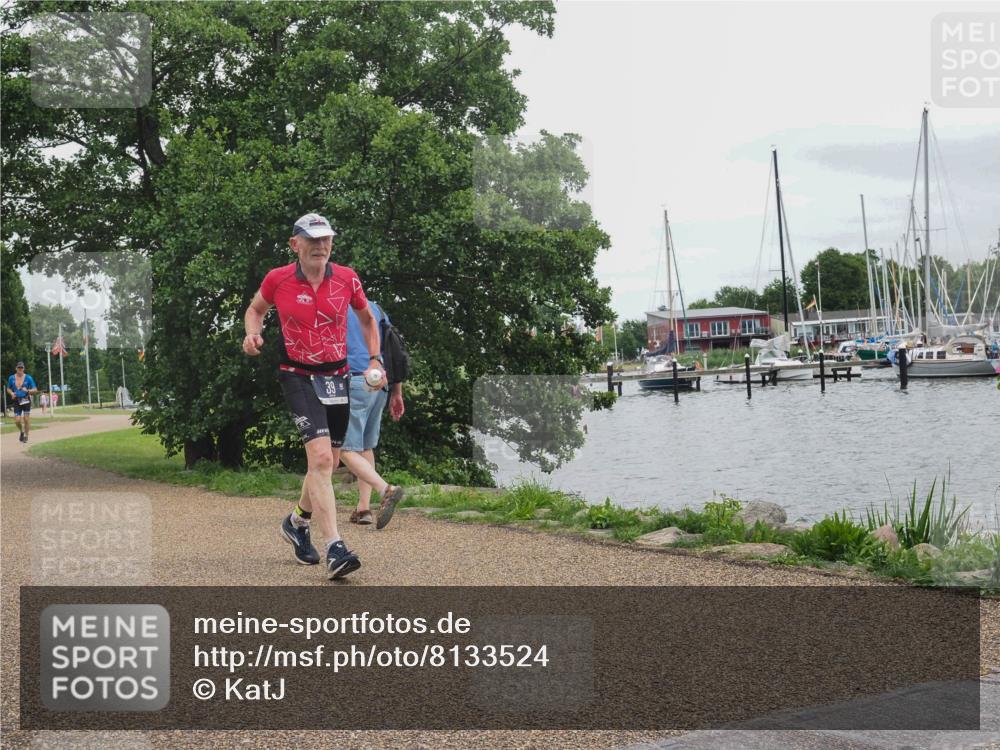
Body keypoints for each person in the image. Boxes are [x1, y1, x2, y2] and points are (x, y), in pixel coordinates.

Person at [243, 213, 402, 580]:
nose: (320, 245)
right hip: (297, 375)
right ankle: (335, 548)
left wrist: (375, 357)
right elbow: (255, 309)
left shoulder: (347, 279)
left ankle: (297, 521)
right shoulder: (278, 279)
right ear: (294, 244)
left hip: (337, 377)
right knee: (318, 456)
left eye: (326, 239)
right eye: (312, 239)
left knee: (327, 461)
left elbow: (367, 319)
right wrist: (252, 335)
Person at [341, 301, 406, 527]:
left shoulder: (334, 305)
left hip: (353, 379)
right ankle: (363, 509)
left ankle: (385, 489)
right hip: (380, 383)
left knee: (344, 448)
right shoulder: (376, 308)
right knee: (366, 447)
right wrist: (397, 391)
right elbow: (394, 348)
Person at [6, 362, 38, 443]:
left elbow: (35, 389)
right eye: (18, 368)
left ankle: (26, 436)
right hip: (17, 401)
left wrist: (28, 391)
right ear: (16, 368)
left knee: (26, 419)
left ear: (24, 369)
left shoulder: (28, 378)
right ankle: (21, 431)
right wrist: (12, 393)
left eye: (21, 368)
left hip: (26, 400)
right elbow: (8, 389)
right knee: (17, 421)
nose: (20, 369)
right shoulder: (11, 378)